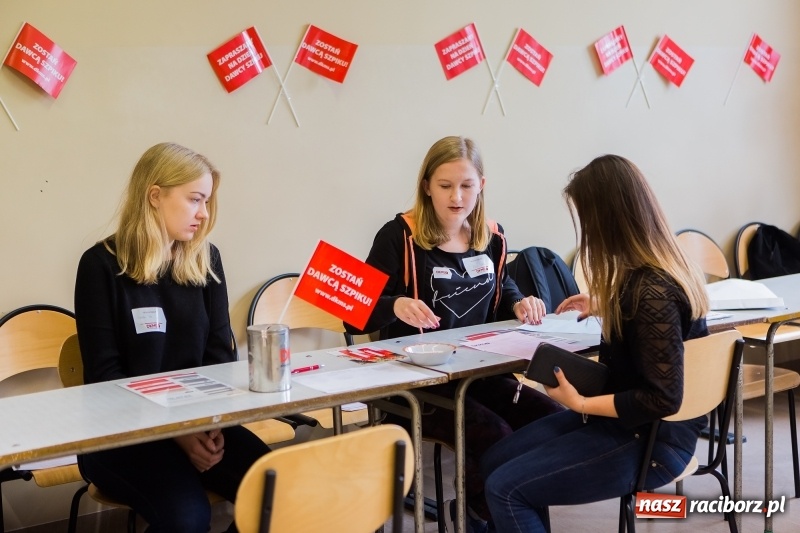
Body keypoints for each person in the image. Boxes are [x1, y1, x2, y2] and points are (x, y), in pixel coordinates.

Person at [481, 154, 710, 532]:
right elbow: (654, 338)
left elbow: (663, 399)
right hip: (624, 424)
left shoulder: (652, 291)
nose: (585, 231)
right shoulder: (650, 277)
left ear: (608, 220)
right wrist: (611, 305)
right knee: (493, 462)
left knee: (506, 488)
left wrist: (581, 402)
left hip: (651, 440)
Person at [344, 136, 563, 530]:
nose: (457, 197)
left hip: (479, 371)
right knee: (494, 434)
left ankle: (498, 507)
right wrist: (394, 304)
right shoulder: (399, 236)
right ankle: (479, 512)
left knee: (551, 419)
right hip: (415, 382)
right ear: (426, 185)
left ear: (482, 185)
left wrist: (517, 302)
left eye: (466, 186)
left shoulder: (492, 237)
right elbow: (354, 314)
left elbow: (499, 291)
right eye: (445, 186)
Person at [74, 142, 269, 533]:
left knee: (277, 490)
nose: (204, 213)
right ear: (155, 196)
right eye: (195, 199)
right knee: (187, 518)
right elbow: (106, 381)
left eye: (208, 201)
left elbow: (219, 360)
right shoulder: (100, 266)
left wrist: (207, 425)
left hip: (198, 424)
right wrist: (180, 435)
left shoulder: (206, 260)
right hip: (120, 435)